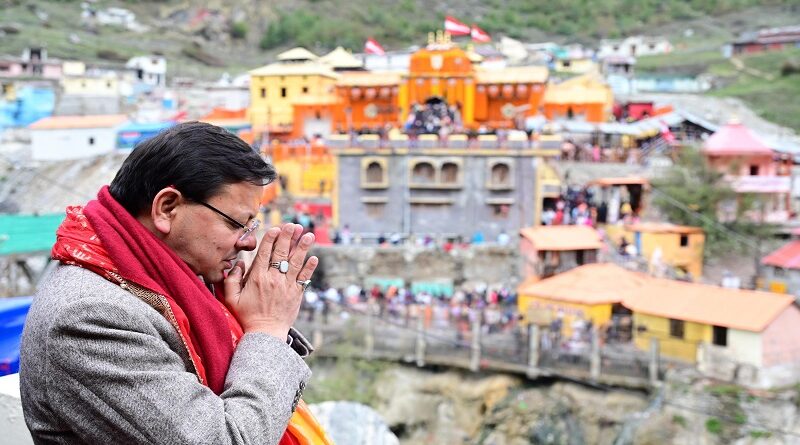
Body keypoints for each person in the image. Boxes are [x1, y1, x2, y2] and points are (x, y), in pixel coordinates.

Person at [19, 122, 332, 444]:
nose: (248, 242)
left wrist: (246, 320)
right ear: (167, 208)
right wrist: (267, 328)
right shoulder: (89, 316)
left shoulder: (164, 281)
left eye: (251, 226)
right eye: (236, 223)